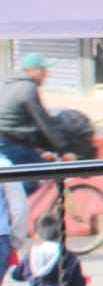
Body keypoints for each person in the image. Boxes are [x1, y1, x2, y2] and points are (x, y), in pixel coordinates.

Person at [0, 53, 63, 192]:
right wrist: (62, 147)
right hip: (9, 143)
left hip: (8, 140)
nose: (47, 75)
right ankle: (26, 211)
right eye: (43, 70)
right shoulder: (27, 87)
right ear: (30, 70)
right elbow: (43, 122)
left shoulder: (8, 83)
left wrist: (38, 144)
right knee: (40, 173)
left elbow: (25, 121)